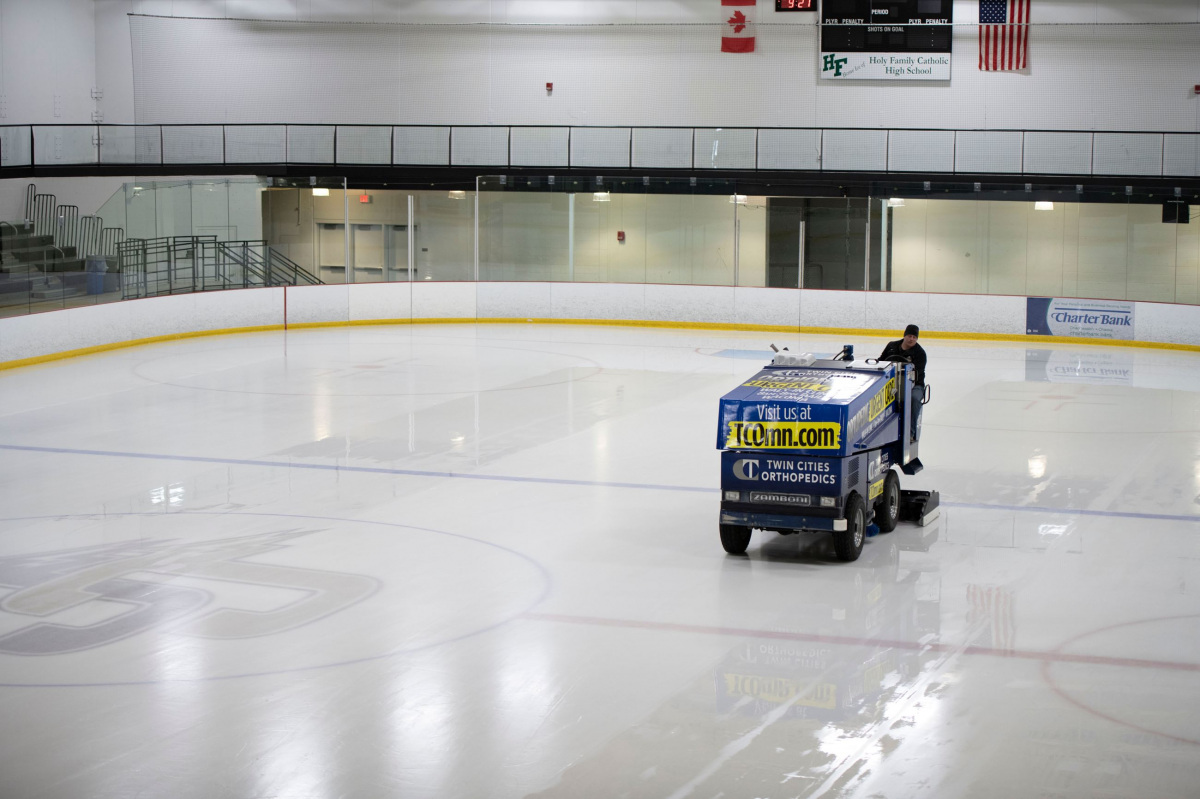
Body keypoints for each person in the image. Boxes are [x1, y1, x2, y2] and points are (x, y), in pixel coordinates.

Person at [879, 324, 927, 441]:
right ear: (904, 335)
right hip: (891, 382)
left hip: (915, 385)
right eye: (910, 336)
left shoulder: (920, 353)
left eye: (914, 337)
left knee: (914, 399)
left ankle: (909, 433)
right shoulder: (892, 346)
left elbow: (917, 375)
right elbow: (880, 362)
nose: (911, 339)